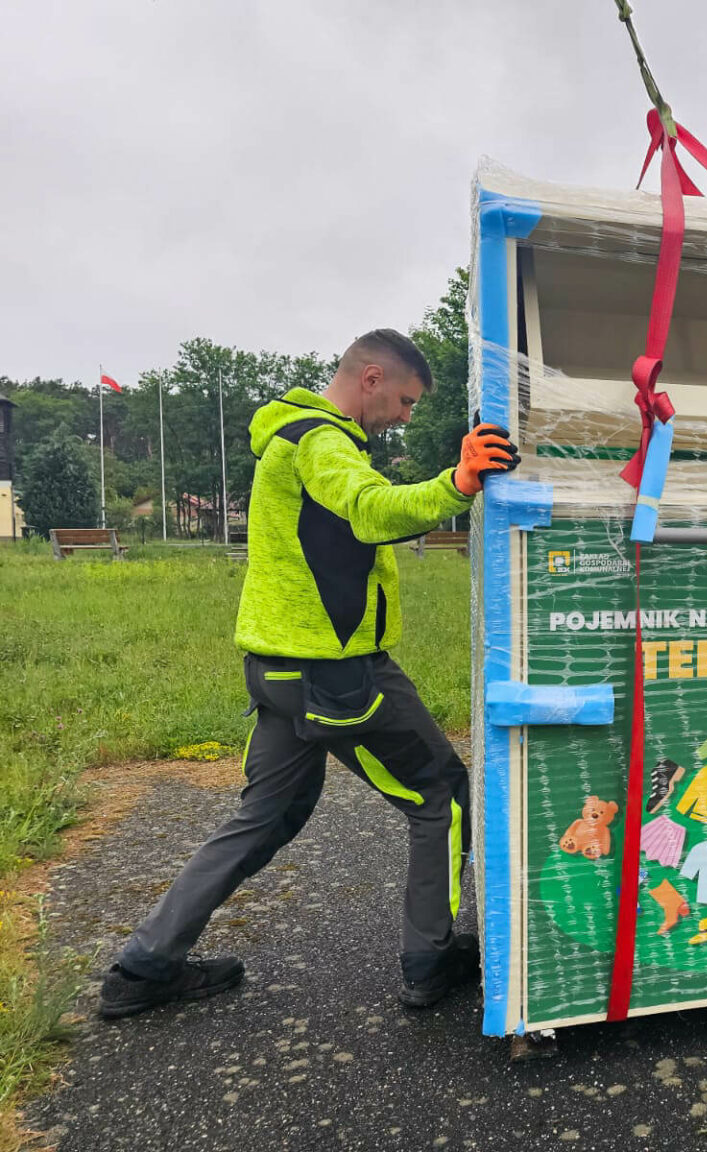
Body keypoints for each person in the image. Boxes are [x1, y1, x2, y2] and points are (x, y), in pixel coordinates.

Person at [98, 329, 517, 1019]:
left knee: (264, 818)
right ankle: (429, 957)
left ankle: (144, 968)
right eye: (406, 402)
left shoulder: (288, 436)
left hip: (277, 668)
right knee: (440, 793)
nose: (406, 418)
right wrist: (460, 482)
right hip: (337, 674)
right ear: (372, 378)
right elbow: (370, 509)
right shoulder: (322, 442)